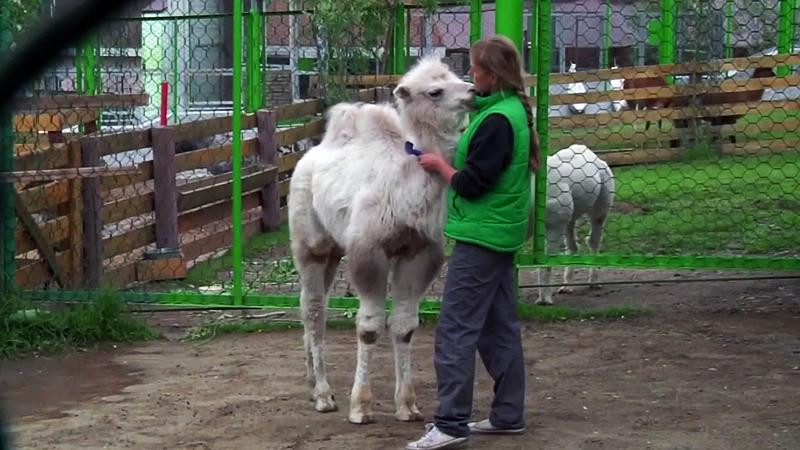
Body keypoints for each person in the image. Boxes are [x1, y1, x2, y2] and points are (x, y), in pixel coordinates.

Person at [406, 35, 540, 450]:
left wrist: (440, 165)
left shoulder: (498, 121)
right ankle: (507, 415)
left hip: (481, 236)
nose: (471, 77)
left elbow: (473, 184)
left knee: (455, 330)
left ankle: (449, 423)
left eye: (476, 70)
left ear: (492, 75)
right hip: (500, 234)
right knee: (497, 326)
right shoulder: (507, 110)